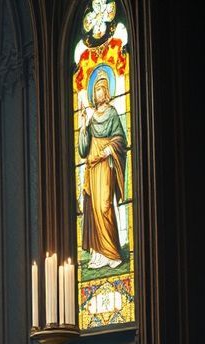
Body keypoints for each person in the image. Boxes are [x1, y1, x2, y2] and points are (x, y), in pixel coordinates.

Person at [78, 72, 127, 270]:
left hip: (106, 164)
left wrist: (110, 148)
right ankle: (98, 254)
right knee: (93, 207)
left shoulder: (113, 113)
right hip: (92, 166)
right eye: (96, 89)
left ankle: (112, 251)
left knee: (105, 205)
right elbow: (82, 150)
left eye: (101, 89)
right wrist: (82, 127)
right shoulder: (90, 119)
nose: (98, 93)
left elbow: (121, 139)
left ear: (106, 92)